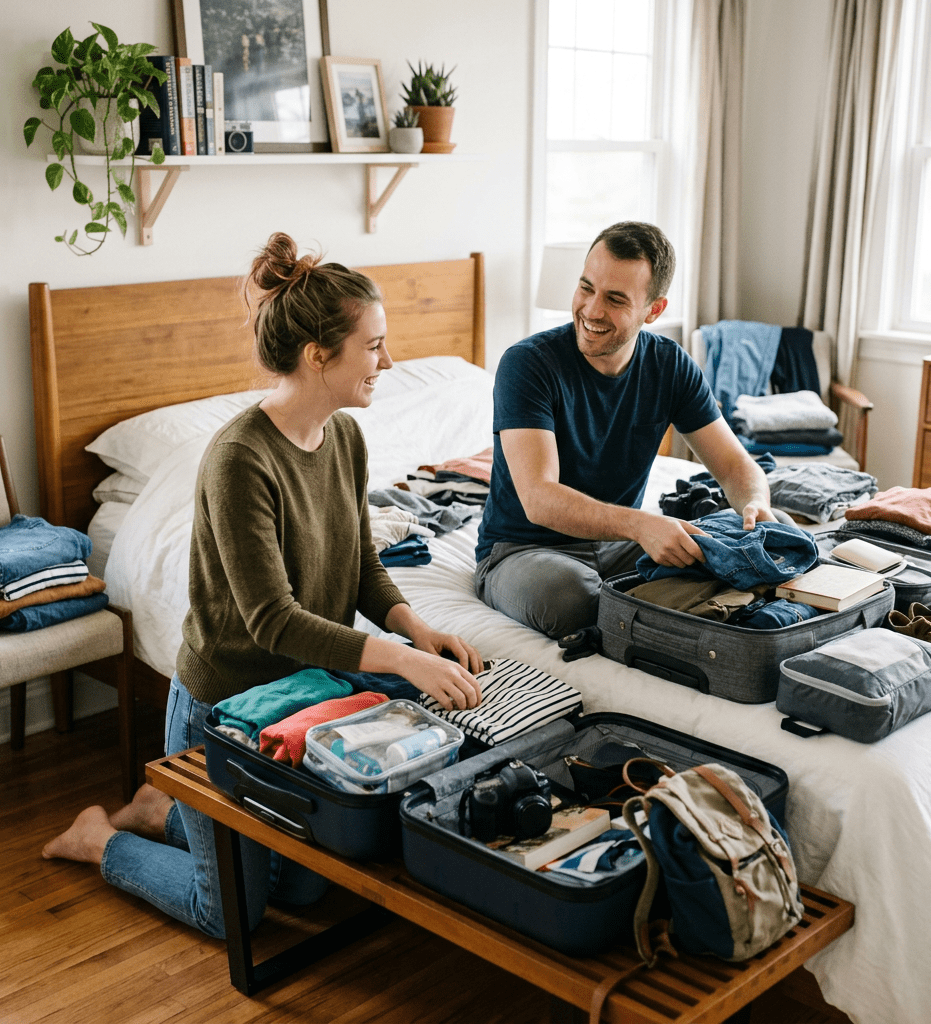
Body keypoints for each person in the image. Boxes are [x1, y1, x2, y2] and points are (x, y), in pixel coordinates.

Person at [42, 232, 484, 937]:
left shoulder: (343, 437)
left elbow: (359, 562)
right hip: (227, 705)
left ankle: (171, 813)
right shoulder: (239, 458)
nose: (389, 362)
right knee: (228, 915)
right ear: (319, 355)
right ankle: (103, 839)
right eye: (373, 346)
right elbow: (272, 620)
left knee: (305, 892)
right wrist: (402, 661)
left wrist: (414, 627)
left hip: (303, 699)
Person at [474, 220, 777, 639]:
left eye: (615, 299)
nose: (592, 310)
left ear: (653, 310)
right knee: (570, 599)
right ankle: (657, 606)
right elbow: (539, 499)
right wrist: (640, 525)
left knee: (760, 543)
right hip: (523, 552)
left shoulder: (669, 365)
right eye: (586, 288)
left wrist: (756, 504)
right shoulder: (528, 365)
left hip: (617, 545)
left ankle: (651, 604)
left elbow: (733, 465)